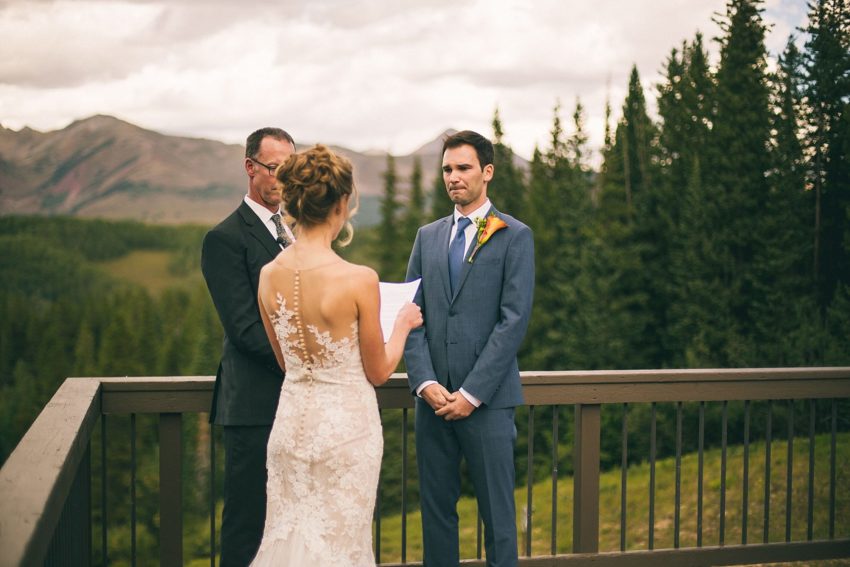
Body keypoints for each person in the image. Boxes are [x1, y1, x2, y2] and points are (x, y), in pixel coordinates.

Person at [249, 144, 422, 566]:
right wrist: (401, 325)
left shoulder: (267, 275)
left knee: (287, 539)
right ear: (342, 204)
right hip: (346, 433)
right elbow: (379, 371)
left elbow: (287, 362)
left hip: (290, 429)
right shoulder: (358, 279)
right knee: (341, 546)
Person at [404, 130, 535, 566]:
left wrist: (471, 393)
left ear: (487, 172)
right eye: (447, 169)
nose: (453, 177)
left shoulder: (515, 236)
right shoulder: (427, 237)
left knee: (498, 519)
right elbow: (411, 315)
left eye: (463, 168)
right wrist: (423, 382)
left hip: (489, 403)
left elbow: (512, 322)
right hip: (433, 403)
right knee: (436, 515)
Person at [201, 127, 298, 566]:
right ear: (250, 167)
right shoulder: (224, 239)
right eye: (274, 168)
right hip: (253, 407)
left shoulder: (292, 233)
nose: (282, 178)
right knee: (247, 525)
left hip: (297, 404)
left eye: (289, 169)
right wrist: (308, 361)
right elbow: (244, 330)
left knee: (289, 524)